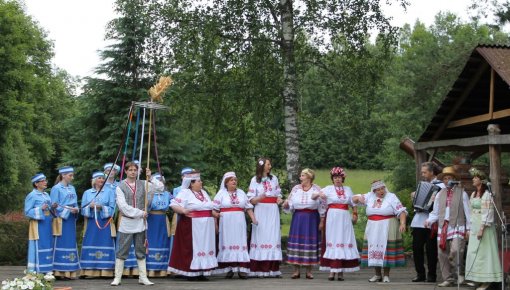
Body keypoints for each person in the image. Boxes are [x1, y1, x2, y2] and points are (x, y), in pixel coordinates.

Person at [110, 161, 163, 286]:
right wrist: (140, 212)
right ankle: (117, 277)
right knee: (122, 250)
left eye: (135, 170)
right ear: (126, 171)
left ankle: (143, 277)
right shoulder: (120, 187)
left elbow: (160, 188)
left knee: (141, 249)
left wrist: (151, 178)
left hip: (141, 223)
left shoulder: (144, 183)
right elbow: (123, 206)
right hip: (127, 222)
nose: (133, 172)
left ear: (137, 171)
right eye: (130, 170)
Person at [352, 180, 407, 283]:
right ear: (374, 190)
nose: (381, 191)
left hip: (388, 225)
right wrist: (359, 198)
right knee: (374, 249)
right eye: (378, 189)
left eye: (382, 188)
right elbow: (353, 199)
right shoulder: (369, 196)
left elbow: (401, 211)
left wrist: (402, 223)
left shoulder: (391, 197)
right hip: (373, 226)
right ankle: (377, 275)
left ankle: (386, 275)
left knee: (386, 250)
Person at [168, 170, 219, 280]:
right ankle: (191, 273)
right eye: (199, 181)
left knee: (205, 247)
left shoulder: (204, 193)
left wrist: (216, 215)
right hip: (192, 225)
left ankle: (202, 272)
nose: (201, 183)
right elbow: (173, 204)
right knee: (193, 248)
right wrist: (183, 210)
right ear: (191, 183)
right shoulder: (185, 192)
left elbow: (208, 208)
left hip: (206, 227)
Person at [425, 166, 471, 287]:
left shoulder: (462, 193)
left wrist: (469, 228)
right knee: (442, 253)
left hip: (457, 226)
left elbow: (468, 213)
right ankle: (448, 278)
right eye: (445, 178)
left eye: (449, 178)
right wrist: (429, 220)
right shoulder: (439, 194)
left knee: (456, 250)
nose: (447, 180)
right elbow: (435, 212)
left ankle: (460, 273)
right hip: (443, 226)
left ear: (454, 179)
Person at [318, 167, 360, 281]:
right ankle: (332, 271)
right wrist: (319, 195)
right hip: (332, 217)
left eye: (339, 177)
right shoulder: (328, 189)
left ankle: (340, 272)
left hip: (345, 218)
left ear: (343, 178)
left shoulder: (348, 189)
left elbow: (353, 202)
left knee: (343, 240)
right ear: (332, 179)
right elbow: (316, 197)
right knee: (333, 241)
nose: (337, 179)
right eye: (335, 177)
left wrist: (355, 213)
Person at [213, 171, 256, 279]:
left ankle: (242, 270)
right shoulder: (221, 194)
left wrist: (253, 219)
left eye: (235, 180)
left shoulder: (241, 192)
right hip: (226, 223)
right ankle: (229, 269)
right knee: (227, 243)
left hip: (239, 223)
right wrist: (216, 223)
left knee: (240, 243)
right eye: (231, 180)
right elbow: (213, 210)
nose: (234, 182)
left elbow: (248, 207)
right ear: (226, 182)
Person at [465, 168, 502, 290]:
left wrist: (482, 228)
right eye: (473, 177)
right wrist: (469, 228)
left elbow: (488, 212)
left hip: (484, 227)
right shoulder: (473, 194)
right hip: (474, 225)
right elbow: (470, 212)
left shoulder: (487, 194)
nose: (473, 179)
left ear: (481, 180)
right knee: (473, 252)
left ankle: (487, 280)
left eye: (475, 177)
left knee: (484, 253)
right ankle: (476, 278)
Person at [282, 168, 323, 279]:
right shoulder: (296, 189)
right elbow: (289, 203)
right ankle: (296, 270)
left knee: (310, 242)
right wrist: (286, 205)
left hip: (312, 219)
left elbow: (322, 205)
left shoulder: (316, 189)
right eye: (301, 176)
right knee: (297, 241)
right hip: (298, 218)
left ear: (309, 177)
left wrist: (322, 221)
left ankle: (309, 271)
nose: (300, 178)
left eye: (302, 176)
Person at [247, 158, 283, 277]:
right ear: (262, 166)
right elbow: (250, 199)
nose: (270, 166)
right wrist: (259, 198)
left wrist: (279, 199)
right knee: (261, 237)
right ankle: (259, 269)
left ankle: (272, 269)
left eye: (270, 164)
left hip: (272, 210)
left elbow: (278, 194)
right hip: (261, 209)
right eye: (268, 164)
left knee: (272, 236)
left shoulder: (274, 179)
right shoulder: (254, 180)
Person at [80, 171, 116, 277]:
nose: (102, 180)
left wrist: (101, 207)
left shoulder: (109, 192)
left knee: (105, 242)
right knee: (91, 242)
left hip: (104, 222)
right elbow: (82, 209)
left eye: (103, 178)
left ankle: (106, 271)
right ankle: (89, 271)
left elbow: (113, 208)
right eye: (99, 178)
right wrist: (89, 207)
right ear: (94, 180)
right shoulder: (87, 193)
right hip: (91, 222)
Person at [410, 162, 442, 282]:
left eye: (424, 172)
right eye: (422, 172)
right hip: (419, 221)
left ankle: (432, 275)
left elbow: (441, 204)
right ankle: (420, 274)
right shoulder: (422, 185)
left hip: (432, 222)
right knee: (416, 248)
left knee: (431, 249)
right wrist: (414, 197)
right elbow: (417, 203)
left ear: (432, 172)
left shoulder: (441, 186)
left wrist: (432, 202)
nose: (422, 174)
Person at [50, 166, 81, 279]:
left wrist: (76, 209)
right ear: (63, 175)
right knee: (61, 242)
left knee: (70, 243)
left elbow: (75, 203)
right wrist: (67, 209)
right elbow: (54, 205)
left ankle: (70, 271)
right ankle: (59, 271)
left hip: (71, 219)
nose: (72, 177)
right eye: (70, 175)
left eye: (72, 175)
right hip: (61, 220)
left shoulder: (72, 188)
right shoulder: (56, 188)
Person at [25, 173, 55, 274]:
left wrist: (53, 207)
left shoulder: (46, 195)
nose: (45, 182)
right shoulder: (32, 195)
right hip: (38, 224)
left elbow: (50, 210)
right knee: (39, 244)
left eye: (45, 180)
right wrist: (40, 209)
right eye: (43, 181)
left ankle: (47, 269)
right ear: (36, 184)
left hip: (47, 223)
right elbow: (27, 211)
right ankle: (36, 270)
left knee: (48, 244)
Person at [146, 172, 173, 277]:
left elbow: (176, 203)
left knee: (163, 241)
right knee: (151, 241)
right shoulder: (149, 193)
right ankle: (150, 268)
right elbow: (146, 206)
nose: (160, 183)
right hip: (151, 219)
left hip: (162, 219)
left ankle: (163, 269)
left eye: (161, 181)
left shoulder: (167, 194)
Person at [168, 167, 193, 268]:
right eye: (185, 175)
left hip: (191, 216)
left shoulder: (195, 189)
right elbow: (177, 203)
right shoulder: (177, 189)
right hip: (180, 214)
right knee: (177, 237)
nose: (187, 177)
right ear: (182, 177)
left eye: (189, 175)